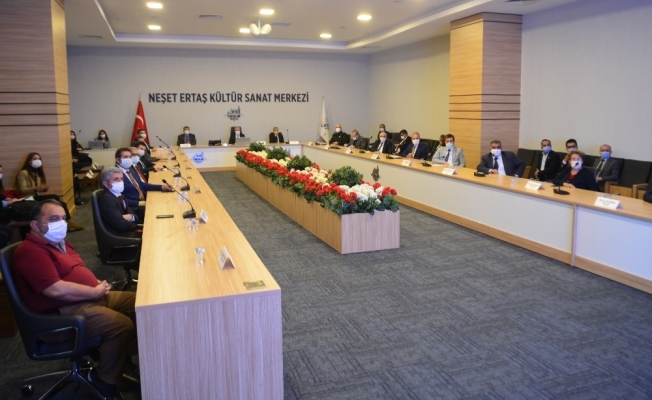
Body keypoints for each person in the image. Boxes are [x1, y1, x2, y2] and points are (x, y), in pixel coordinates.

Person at [11, 199, 137, 399]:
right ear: (35, 225)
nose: (61, 223)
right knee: (121, 325)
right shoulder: (30, 251)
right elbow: (55, 290)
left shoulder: (59, 243)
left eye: (63, 218)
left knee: (141, 305)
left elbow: (78, 269)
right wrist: (94, 292)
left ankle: (119, 362)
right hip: (60, 315)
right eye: (54, 219)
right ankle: (103, 380)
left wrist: (97, 283)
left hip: (86, 298)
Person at [15, 153, 84, 231]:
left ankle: (67, 222)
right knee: (56, 201)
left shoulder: (37, 172)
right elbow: (22, 190)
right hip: (28, 198)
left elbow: (39, 188)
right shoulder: (23, 173)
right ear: (29, 161)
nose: (37, 161)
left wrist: (44, 188)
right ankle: (68, 223)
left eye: (39, 159)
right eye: (34, 159)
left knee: (57, 199)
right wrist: (35, 188)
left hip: (36, 196)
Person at [115, 148, 173, 220]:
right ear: (118, 160)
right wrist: (138, 203)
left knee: (166, 201)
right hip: (133, 208)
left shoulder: (130, 169)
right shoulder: (115, 176)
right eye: (125, 157)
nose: (129, 159)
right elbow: (117, 198)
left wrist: (162, 187)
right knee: (159, 210)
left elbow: (142, 185)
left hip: (143, 199)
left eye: (130, 157)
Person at [98, 168, 140, 237]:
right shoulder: (107, 200)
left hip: (128, 231)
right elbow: (121, 225)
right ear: (106, 183)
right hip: (120, 236)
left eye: (121, 179)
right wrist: (135, 225)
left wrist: (131, 217)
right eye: (116, 179)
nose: (120, 182)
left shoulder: (119, 195)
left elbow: (134, 215)